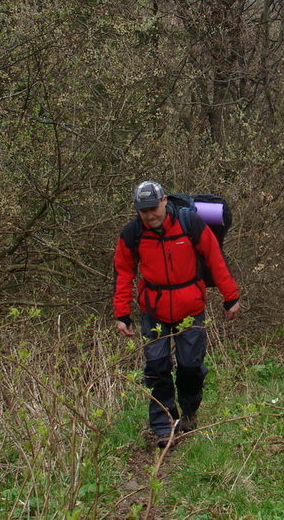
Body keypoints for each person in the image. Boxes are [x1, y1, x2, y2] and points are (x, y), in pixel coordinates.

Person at [113, 180, 240, 449]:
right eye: (143, 210)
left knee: (190, 368)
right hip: (153, 310)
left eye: (153, 208)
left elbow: (215, 259)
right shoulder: (133, 233)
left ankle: (189, 409)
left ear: (164, 201)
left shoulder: (190, 224)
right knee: (156, 368)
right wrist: (122, 313)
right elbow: (123, 272)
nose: (149, 215)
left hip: (190, 309)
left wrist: (231, 297)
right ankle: (163, 426)